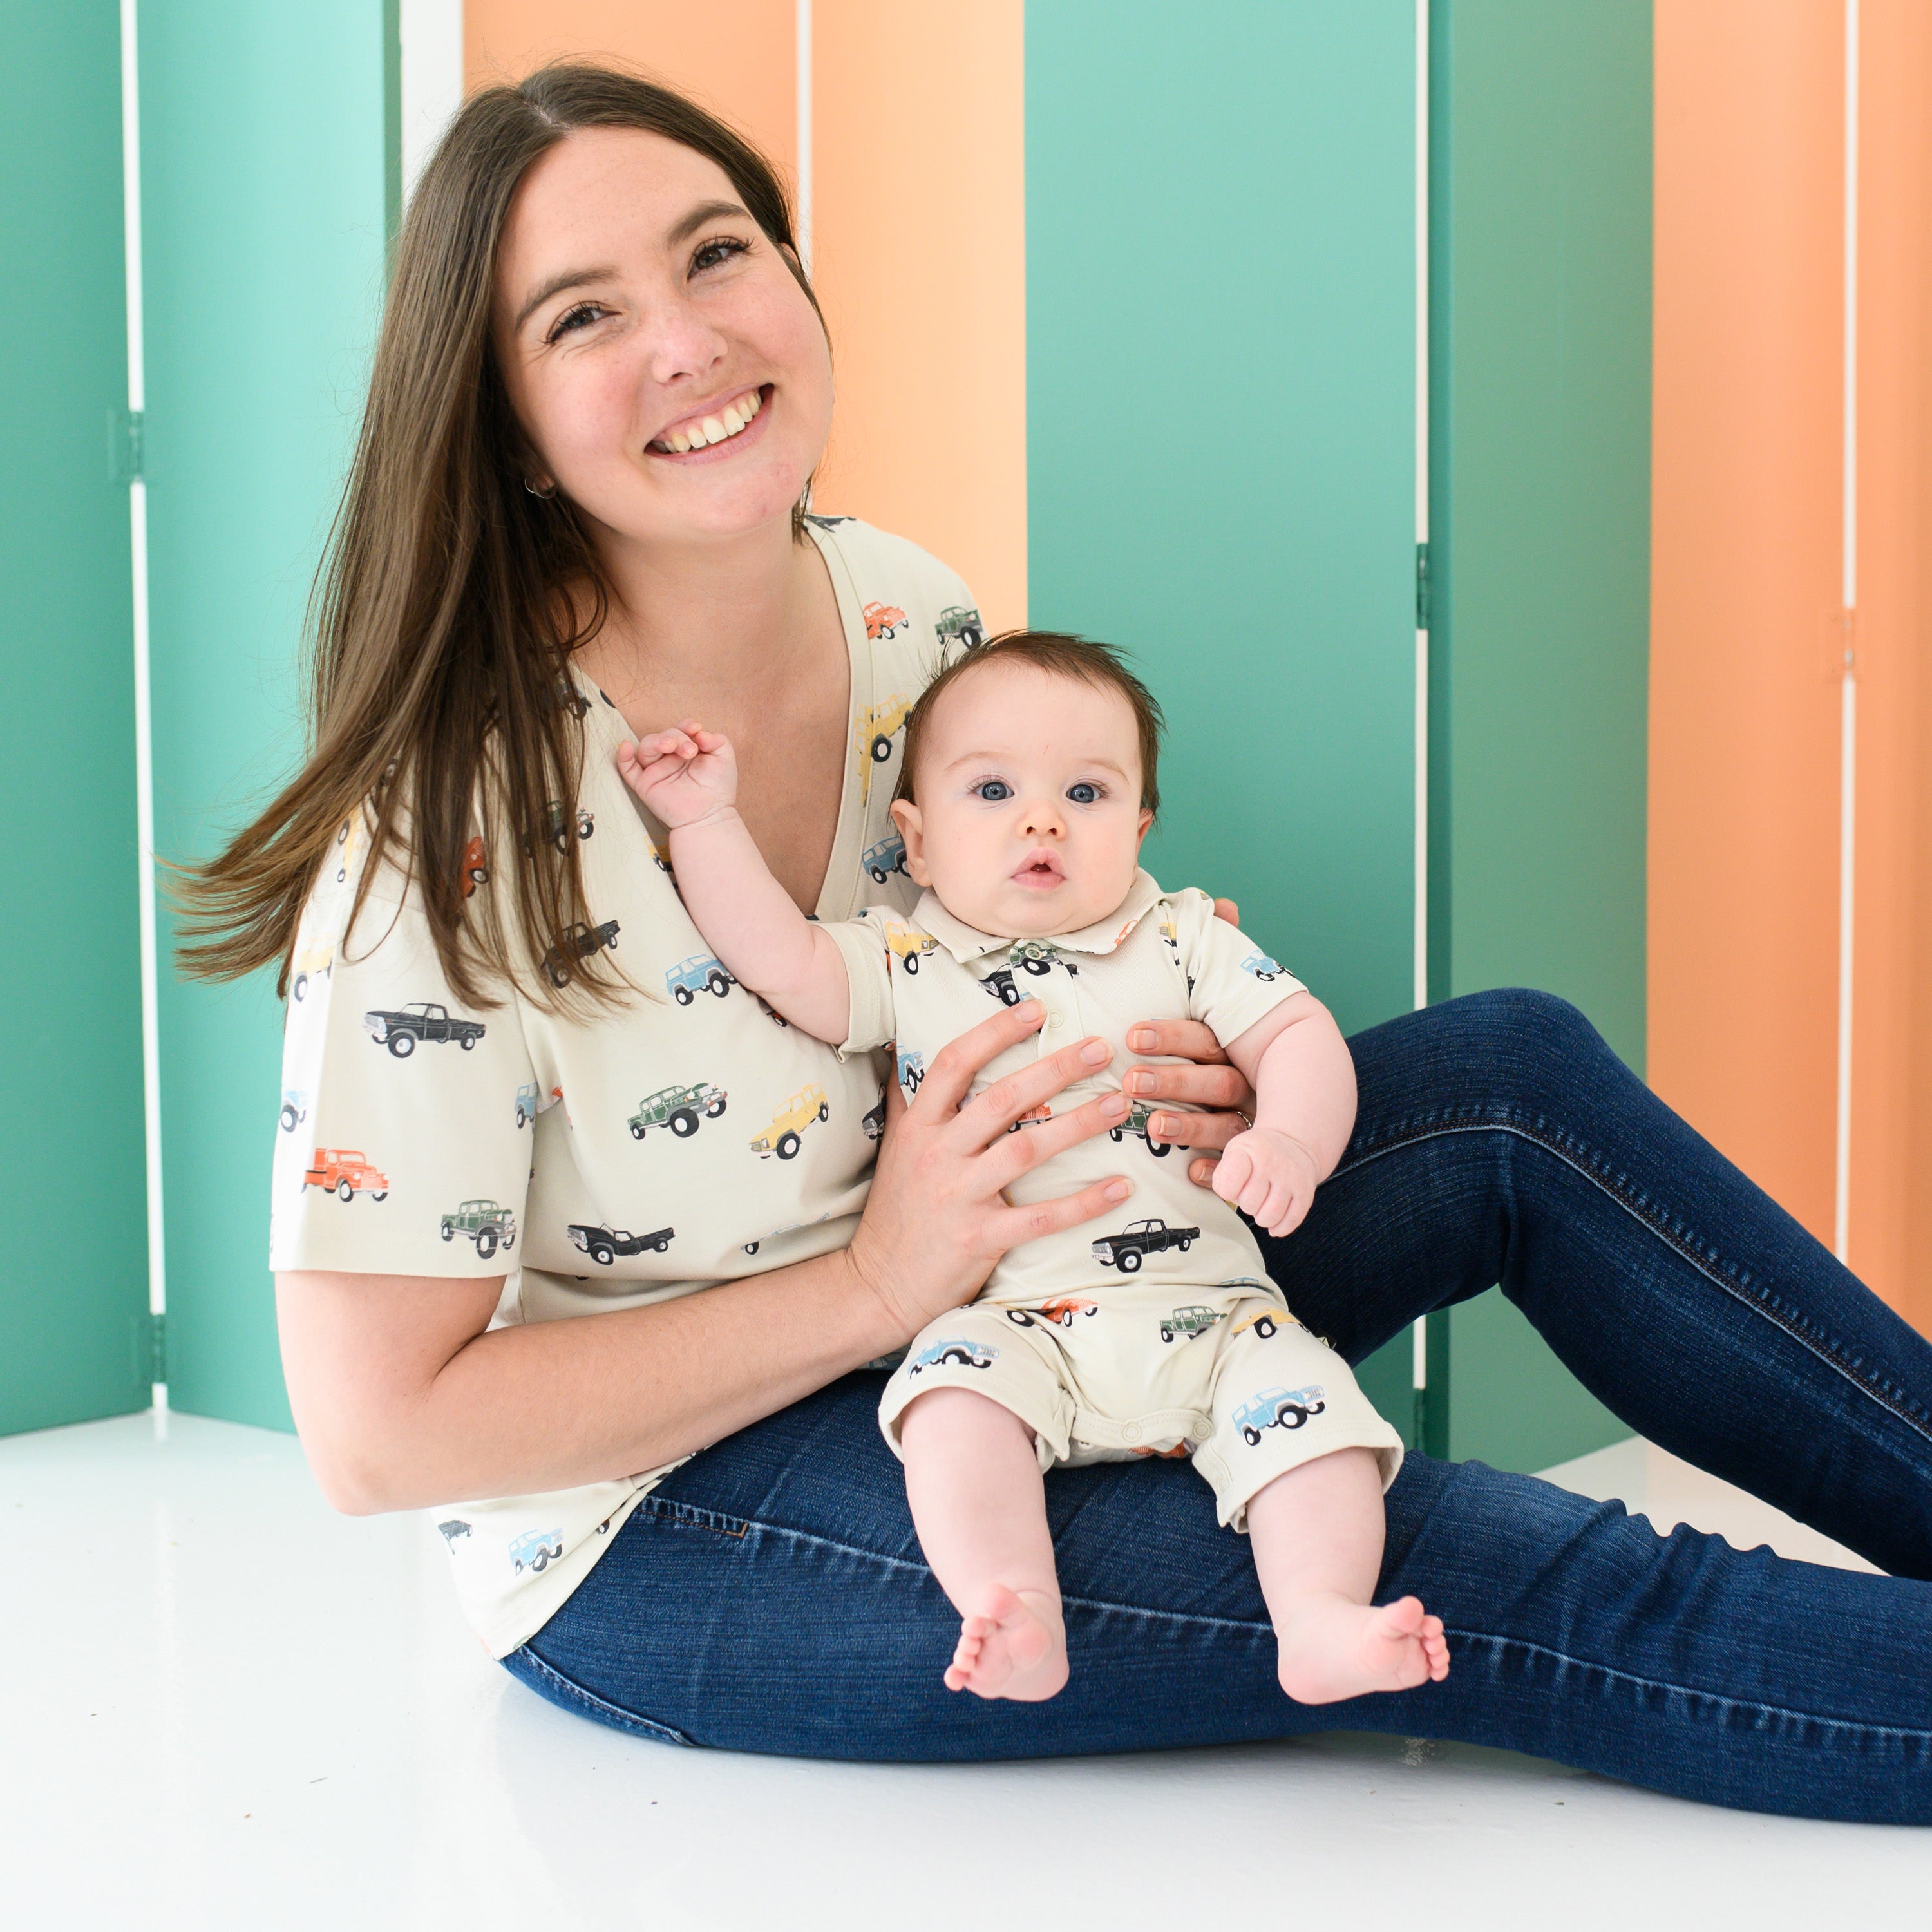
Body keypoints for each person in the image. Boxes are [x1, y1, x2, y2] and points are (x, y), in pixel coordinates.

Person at [180, 64, 1932, 1823]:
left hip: (1039, 1294)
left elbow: (1012, 947)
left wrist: (1182, 1058)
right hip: (669, 1512)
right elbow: (379, 1437)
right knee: (1441, 1561)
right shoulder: (451, 838)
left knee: (1511, 1082)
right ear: (502, 422)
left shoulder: (905, 609)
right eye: (584, 316)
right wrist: (876, 1289)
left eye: (718, 255)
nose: (689, 340)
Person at [618, 629, 1439, 1705]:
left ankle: (1319, 1619)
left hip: (1216, 1314)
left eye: (1088, 793)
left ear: (1142, 826)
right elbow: (780, 958)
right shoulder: (907, 959)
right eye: (994, 789)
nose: (1042, 820)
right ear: (915, 839)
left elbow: (1296, 1035)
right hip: (1015, 1325)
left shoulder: (1181, 934)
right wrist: (703, 821)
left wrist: (1289, 1138)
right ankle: (1016, 1610)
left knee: (1316, 1421)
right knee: (949, 1411)